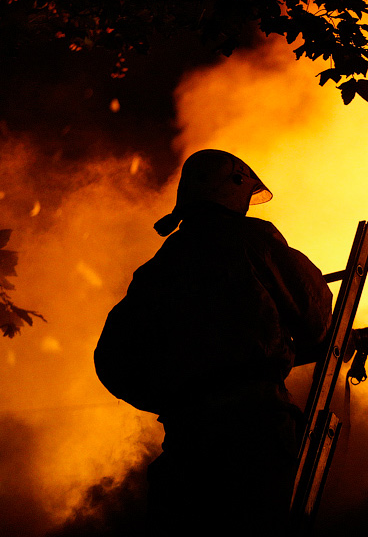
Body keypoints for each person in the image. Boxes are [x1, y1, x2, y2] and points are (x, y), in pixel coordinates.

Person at [94, 149, 333, 536]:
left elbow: (113, 361)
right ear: (234, 188)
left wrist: (177, 398)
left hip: (186, 445)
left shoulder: (157, 269)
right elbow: (316, 314)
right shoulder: (253, 241)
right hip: (256, 435)